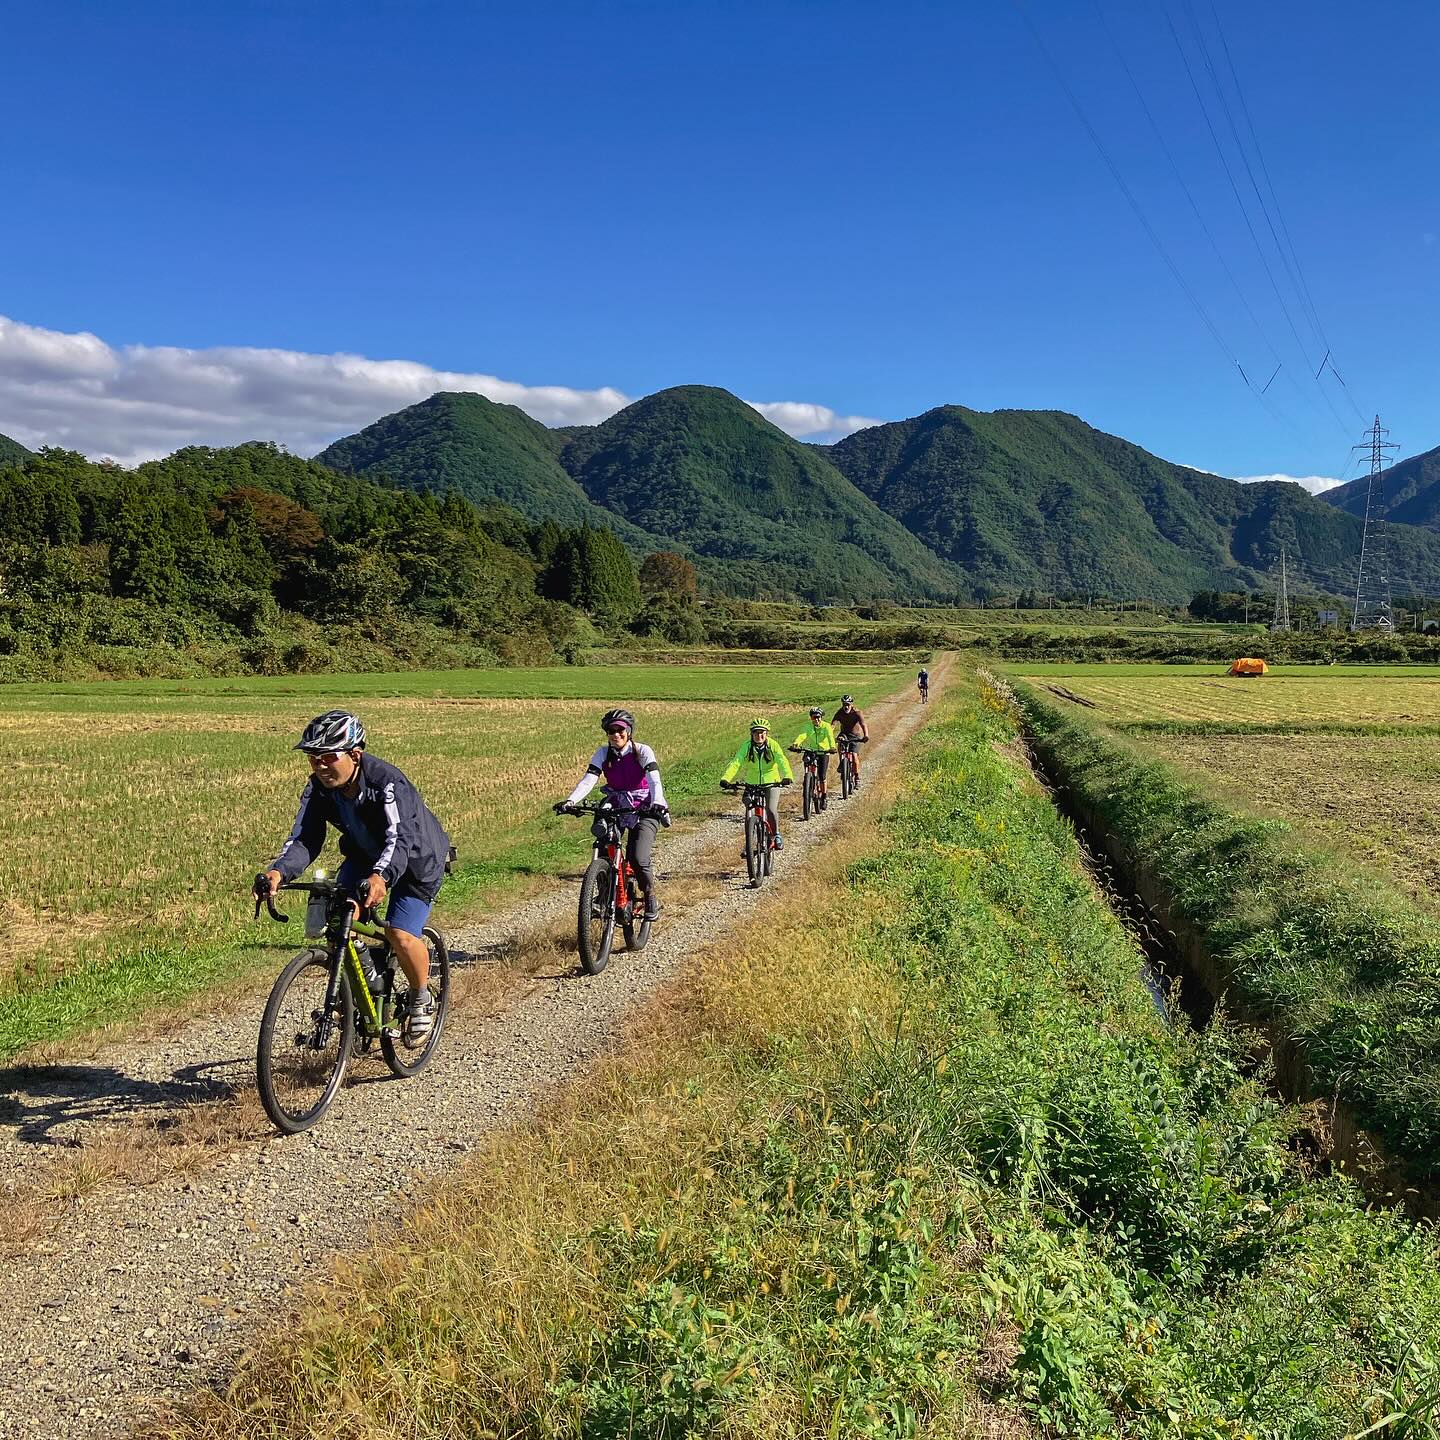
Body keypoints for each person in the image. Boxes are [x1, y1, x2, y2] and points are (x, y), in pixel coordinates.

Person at [259, 710, 452, 1045]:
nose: (320, 766)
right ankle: (359, 994)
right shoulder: (320, 788)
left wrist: (381, 877)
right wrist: (279, 871)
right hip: (365, 855)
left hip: (418, 860)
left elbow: (400, 838)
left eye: (328, 757)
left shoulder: (387, 782)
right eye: (312, 758)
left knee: (400, 933)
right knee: (337, 922)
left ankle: (422, 998)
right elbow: (305, 837)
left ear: (354, 755)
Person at [554, 708, 669, 921]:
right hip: (616, 800)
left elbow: (654, 780)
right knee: (603, 840)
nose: (615, 734)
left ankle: (650, 894)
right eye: (610, 730)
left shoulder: (642, 751)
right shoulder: (603, 752)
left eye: (620, 730)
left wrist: (657, 803)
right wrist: (571, 801)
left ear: (629, 731)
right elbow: (589, 779)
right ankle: (604, 892)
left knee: (637, 856)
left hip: (644, 804)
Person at [720, 717, 794, 849]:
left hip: (772, 782)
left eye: (762, 733)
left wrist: (787, 776)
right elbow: (736, 762)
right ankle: (749, 842)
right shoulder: (747, 746)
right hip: (752, 783)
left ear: (766, 734)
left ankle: (776, 834)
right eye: (756, 733)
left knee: (771, 809)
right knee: (748, 810)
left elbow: (782, 760)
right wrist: (726, 778)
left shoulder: (773, 745)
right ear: (751, 734)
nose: (759, 736)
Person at [787, 705, 837, 803]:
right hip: (812, 750)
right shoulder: (808, 726)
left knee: (822, 777)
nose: (816, 719)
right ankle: (808, 780)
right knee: (807, 765)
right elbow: (802, 735)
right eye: (814, 717)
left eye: (818, 717)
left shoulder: (826, 726)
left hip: (824, 751)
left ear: (821, 717)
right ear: (811, 718)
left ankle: (824, 796)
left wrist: (832, 747)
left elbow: (830, 737)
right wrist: (796, 744)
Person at [832, 694, 870, 785]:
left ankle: (857, 776)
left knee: (854, 755)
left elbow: (863, 725)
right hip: (844, 734)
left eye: (848, 704)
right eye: (844, 704)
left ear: (852, 704)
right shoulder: (840, 712)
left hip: (855, 736)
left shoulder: (857, 713)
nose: (846, 707)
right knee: (840, 746)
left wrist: (866, 735)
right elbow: (833, 725)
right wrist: (829, 735)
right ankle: (842, 763)